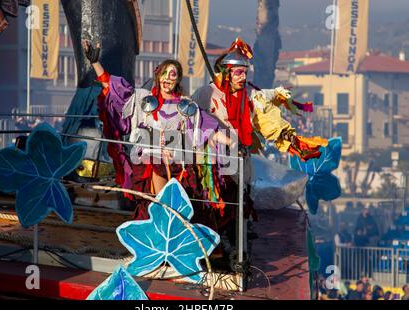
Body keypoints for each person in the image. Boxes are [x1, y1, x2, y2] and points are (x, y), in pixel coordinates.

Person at [192, 37, 328, 243]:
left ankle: (236, 238)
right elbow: (192, 120)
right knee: (215, 199)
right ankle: (212, 237)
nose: (243, 76)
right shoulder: (206, 93)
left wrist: (291, 140)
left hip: (241, 156)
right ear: (226, 72)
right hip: (213, 159)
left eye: (245, 72)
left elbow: (266, 121)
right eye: (238, 72)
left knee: (241, 198)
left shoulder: (249, 96)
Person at [84, 41, 229, 220]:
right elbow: (111, 87)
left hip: (178, 165)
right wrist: (95, 62)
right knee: (159, 206)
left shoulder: (186, 105)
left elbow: (207, 128)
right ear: (159, 76)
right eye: (165, 73)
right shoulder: (144, 99)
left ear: (178, 80)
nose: (168, 78)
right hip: (151, 161)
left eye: (173, 74)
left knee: (179, 209)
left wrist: (233, 142)